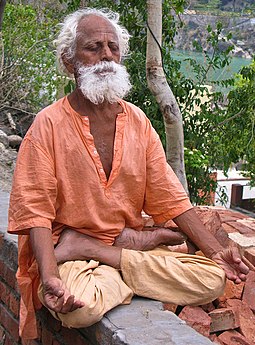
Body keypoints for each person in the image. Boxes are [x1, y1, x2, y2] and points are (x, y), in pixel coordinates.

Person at [8, 8, 249, 340]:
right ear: (69, 62)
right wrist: (49, 277)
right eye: (93, 47)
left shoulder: (137, 121)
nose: (107, 55)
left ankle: (98, 251)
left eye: (113, 47)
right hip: (69, 257)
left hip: (101, 250)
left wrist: (215, 251)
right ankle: (117, 260)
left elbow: (172, 199)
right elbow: (35, 212)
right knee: (82, 309)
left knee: (212, 279)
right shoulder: (48, 125)